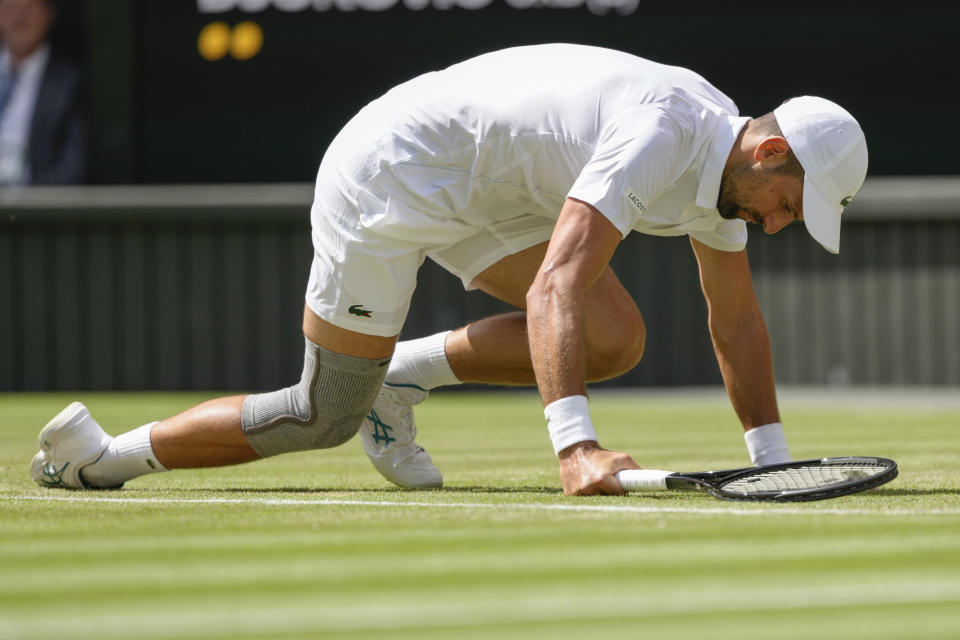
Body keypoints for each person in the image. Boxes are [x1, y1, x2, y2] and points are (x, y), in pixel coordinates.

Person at [31, 44, 868, 496]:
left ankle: (397, 380)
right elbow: (554, 286)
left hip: (489, 192)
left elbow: (736, 320)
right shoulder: (666, 133)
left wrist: (772, 462)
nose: (782, 224)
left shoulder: (728, 184)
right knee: (322, 412)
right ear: (769, 152)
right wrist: (576, 448)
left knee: (616, 338)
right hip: (395, 169)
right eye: (793, 204)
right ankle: (102, 457)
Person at [0, 0, 85, 185]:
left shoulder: (69, 81)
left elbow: (73, 168)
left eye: (28, 9)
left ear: (49, 14)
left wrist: (24, 202)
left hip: (30, 203)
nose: (18, 19)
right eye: (9, 9)